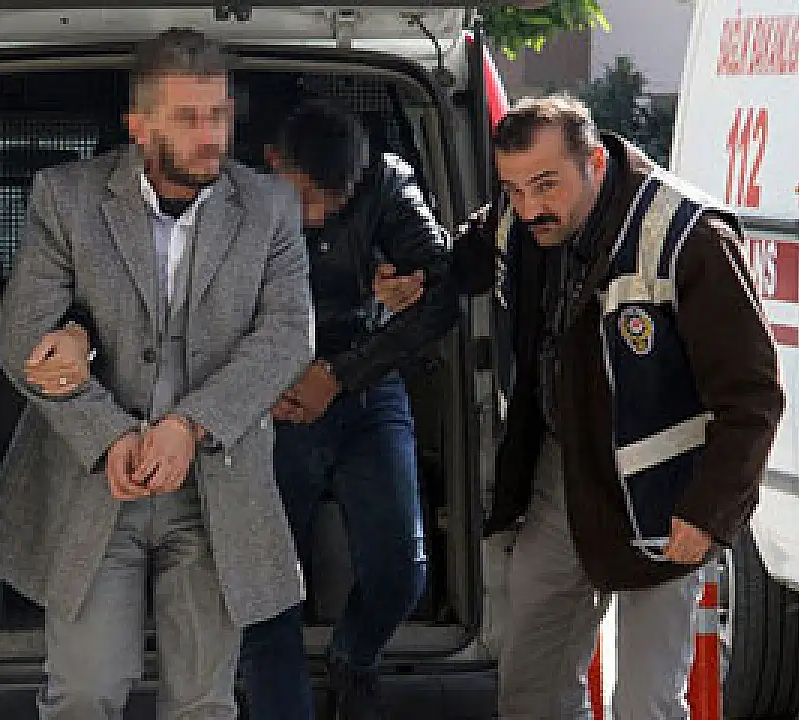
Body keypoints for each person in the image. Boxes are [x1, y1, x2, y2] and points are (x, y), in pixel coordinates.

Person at [0, 28, 314, 720]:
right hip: (94, 482)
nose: (211, 136)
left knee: (203, 703)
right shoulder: (66, 197)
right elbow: (22, 337)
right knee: (84, 692)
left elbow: (288, 337)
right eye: (188, 119)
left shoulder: (270, 206)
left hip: (218, 487)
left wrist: (191, 425)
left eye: (219, 116)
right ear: (139, 126)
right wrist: (109, 436)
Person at [443, 95, 783, 719]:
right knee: (530, 691)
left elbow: (753, 396)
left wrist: (708, 512)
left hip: (668, 500)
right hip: (560, 481)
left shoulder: (687, 237)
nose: (530, 207)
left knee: (644, 704)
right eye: (513, 190)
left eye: (546, 185)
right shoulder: (521, 218)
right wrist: (417, 277)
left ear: (595, 162)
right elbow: (467, 255)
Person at [234, 99, 459, 720]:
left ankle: (354, 657)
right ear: (272, 161)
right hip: (264, 399)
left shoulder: (386, 184)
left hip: (363, 382)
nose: (321, 213)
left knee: (401, 569)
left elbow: (443, 288)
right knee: (268, 579)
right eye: (307, 195)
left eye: (337, 197)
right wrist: (259, 383)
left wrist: (342, 374)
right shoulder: (234, 197)